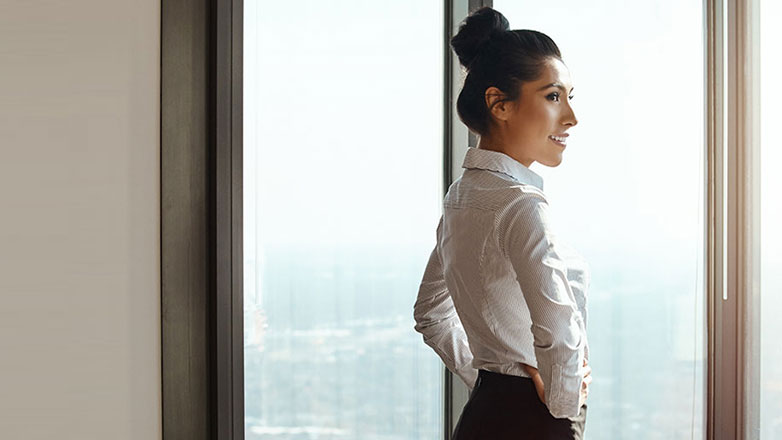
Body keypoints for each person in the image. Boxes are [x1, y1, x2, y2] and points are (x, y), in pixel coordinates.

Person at [412, 6, 592, 439]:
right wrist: (563, 404)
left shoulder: (462, 198)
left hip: (484, 417)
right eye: (553, 97)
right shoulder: (521, 207)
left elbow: (431, 314)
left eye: (570, 97)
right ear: (499, 104)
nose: (571, 117)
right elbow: (558, 330)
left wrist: (492, 381)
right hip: (535, 425)